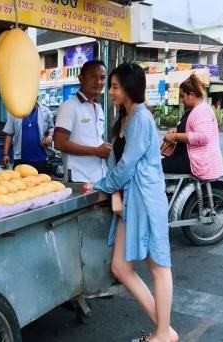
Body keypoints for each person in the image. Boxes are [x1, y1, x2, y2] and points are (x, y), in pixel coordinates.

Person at [95, 63, 177, 342]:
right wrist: (115, 193)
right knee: (120, 267)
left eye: (115, 86)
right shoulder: (124, 117)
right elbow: (114, 160)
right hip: (128, 197)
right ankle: (166, 331)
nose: (110, 92)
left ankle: (162, 334)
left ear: (130, 88)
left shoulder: (142, 118)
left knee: (158, 266)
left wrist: (103, 187)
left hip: (145, 198)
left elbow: (128, 164)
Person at [53, 60, 112, 183]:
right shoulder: (69, 107)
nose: (98, 82)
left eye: (102, 78)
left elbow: (94, 139)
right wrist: (96, 151)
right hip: (78, 178)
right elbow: (59, 143)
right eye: (92, 77)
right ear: (81, 78)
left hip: (100, 177)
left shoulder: (98, 108)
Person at [162, 74, 223, 180]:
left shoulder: (201, 111)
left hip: (195, 162)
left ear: (191, 94)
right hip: (187, 158)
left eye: (183, 96)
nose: (181, 100)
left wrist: (175, 136)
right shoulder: (194, 110)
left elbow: (203, 137)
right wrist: (176, 131)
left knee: (153, 166)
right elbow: (191, 130)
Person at [1, 101, 54, 173]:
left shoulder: (45, 111)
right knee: (20, 183)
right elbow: (9, 134)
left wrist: (49, 137)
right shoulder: (15, 112)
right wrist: (5, 154)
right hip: (21, 160)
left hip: (40, 159)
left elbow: (51, 128)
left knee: (41, 182)